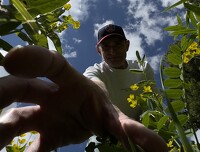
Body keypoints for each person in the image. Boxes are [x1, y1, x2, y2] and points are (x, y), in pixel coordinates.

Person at [0, 24, 167, 152]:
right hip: (103, 135)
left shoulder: (143, 67)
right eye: (106, 46)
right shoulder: (94, 70)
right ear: (98, 50)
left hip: (143, 130)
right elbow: (94, 84)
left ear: (127, 45)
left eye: (118, 44)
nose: (112, 51)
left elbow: (153, 100)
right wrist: (105, 107)